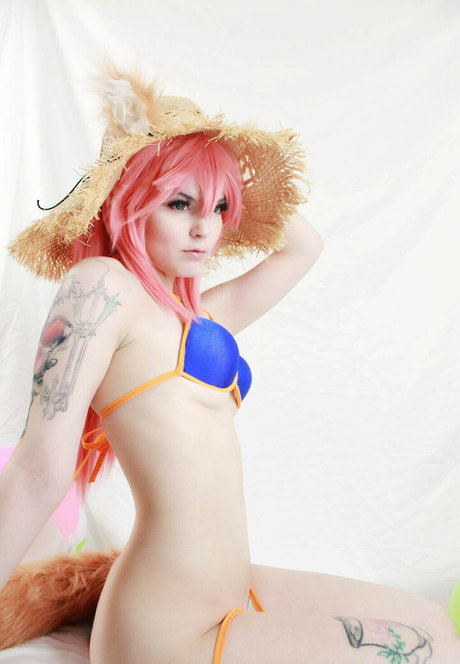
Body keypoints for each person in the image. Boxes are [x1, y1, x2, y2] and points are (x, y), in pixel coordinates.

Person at [1, 63, 459, 664]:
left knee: (432, 624)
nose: (205, 228)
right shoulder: (102, 287)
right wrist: (155, 152)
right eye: (180, 203)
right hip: (163, 626)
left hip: (231, 589)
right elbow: (38, 469)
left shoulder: (199, 317)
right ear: (130, 201)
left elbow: (304, 247)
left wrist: (215, 154)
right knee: (424, 651)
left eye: (219, 207)